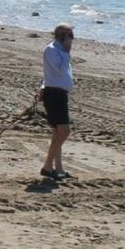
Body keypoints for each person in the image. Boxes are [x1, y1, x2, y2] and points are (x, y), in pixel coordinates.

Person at [38, 23, 76, 180]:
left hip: (59, 94)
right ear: (61, 36)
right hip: (54, 95)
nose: (71, 39)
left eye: (72, 36)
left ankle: (58, 168)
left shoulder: (60, 51)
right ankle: (47, 166)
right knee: (64, 131)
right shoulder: (52, 50)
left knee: (57, 133)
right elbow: (58, 69)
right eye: (69, 36)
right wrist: (67, 52)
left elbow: (53, 74)